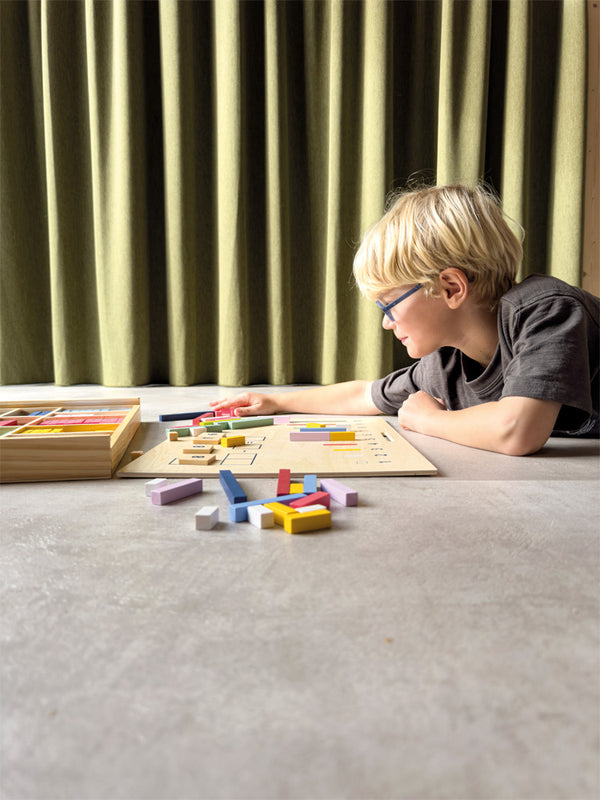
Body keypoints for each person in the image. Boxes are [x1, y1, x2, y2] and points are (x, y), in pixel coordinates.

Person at [211, 184, 599, 456]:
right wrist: (275, 400)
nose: (386, 323)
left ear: (450, 287)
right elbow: (365, 395)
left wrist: (429, 421)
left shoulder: (545, 311)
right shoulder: (446, 364)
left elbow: (517, 431)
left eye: (388, 305)